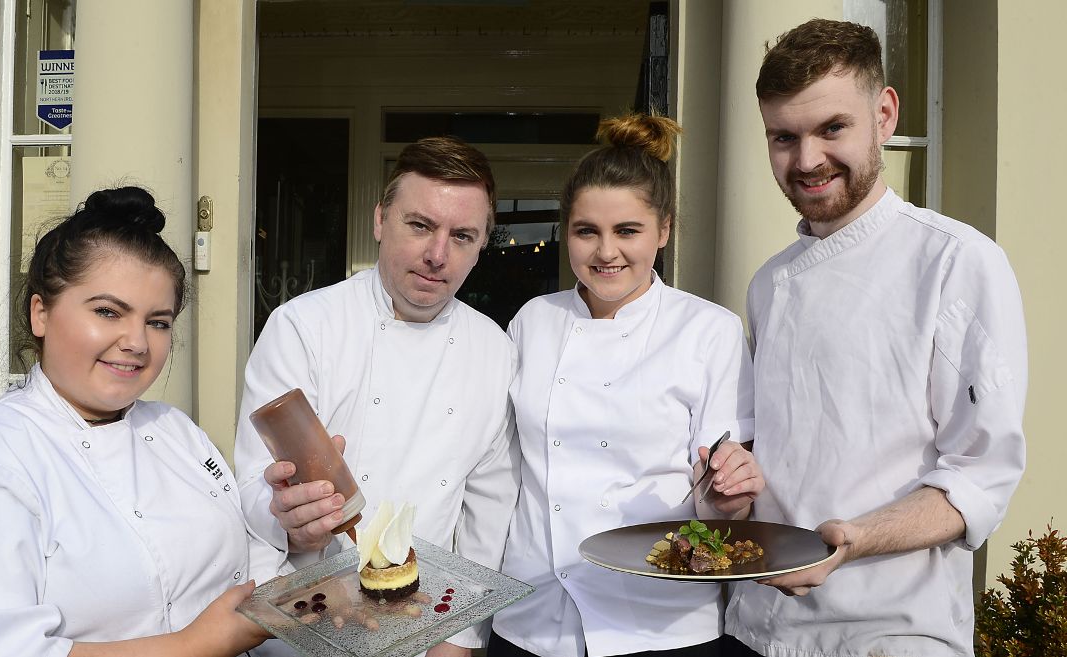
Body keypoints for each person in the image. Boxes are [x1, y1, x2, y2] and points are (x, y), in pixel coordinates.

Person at [723, 19, 1028, 657]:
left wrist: (854, 539)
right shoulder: (768, 283)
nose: (807, 160)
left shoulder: (955, 261)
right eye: (784, 137)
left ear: (884, 115)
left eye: (832, 128)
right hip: (756, 627)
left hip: (890, 632)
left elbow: (980, 476)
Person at [0, 187, 279, 657]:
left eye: (158, 322)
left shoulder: (176, 432)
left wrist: (297, 530)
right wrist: (196, 645)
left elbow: (241, 564)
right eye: (108, 312)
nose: (137, 342)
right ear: (41, 313)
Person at [488, 115, 762, 657]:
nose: (606, 251)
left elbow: (722, 507)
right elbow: (501, 467)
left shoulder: (709, 330)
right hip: (532, 616)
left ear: (664, 230)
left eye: (627, 231)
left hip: (660, 620)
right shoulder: (532, 321)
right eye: (587, 231)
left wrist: (727, 495)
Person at [233, 136, 518, 656]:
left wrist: (460, 638)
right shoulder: (304, 326)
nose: (437, 255)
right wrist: (291, 522)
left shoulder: (494, 350)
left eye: (462, 236)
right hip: (303, 624)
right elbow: (254, 484)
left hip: (424, 627)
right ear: (380, 221)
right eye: (420, 225)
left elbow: (488, 508)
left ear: (482, 246)